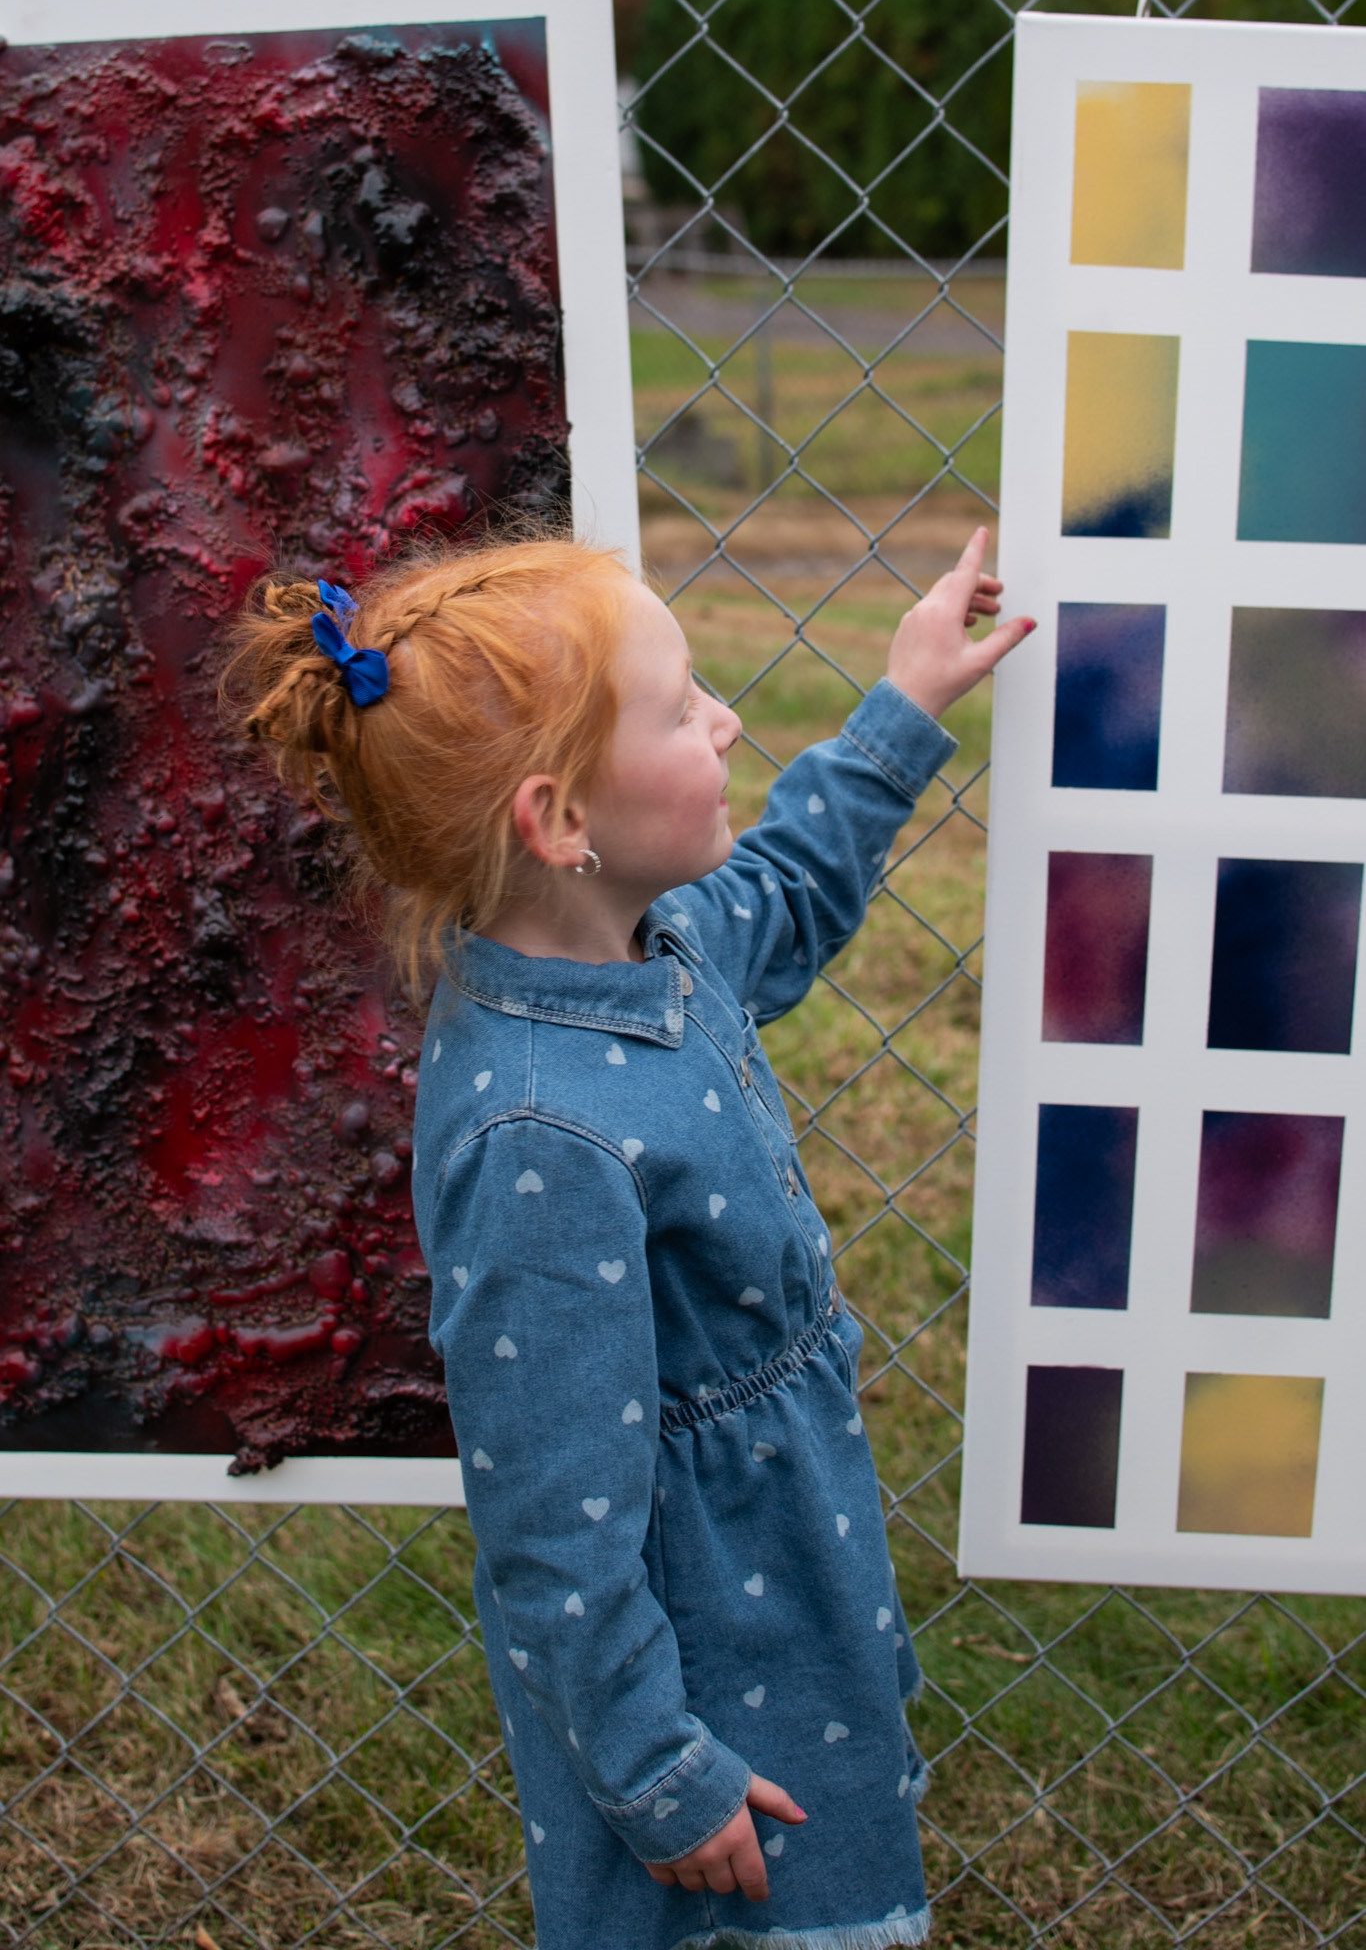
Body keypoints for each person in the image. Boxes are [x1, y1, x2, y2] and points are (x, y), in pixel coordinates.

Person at [223, 527, 1032, 1950]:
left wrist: (906, 699)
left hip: (785, 1550)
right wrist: (660, 1772)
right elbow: (553, 1521)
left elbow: (787, 889)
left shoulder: (654, 943)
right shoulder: (538, 1137)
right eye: (680, 707)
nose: (725, 721)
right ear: (558, 821)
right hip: (705, 1633)